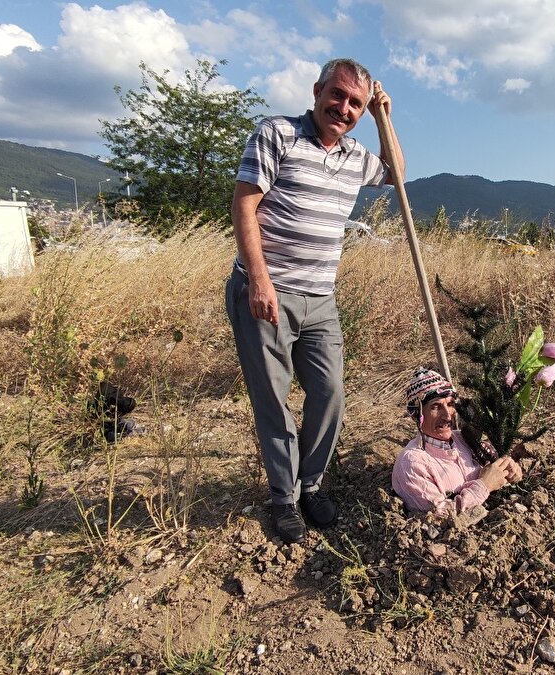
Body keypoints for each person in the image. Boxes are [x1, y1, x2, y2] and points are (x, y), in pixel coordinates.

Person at [226, 58, 403, 543]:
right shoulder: (277, 134)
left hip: (320, 298)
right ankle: (283, 498)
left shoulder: (355, 155)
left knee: (329, 394)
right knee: (274, 401)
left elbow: (397, 174)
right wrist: (259, 280)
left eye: (356, 104)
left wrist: (386, 119)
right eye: (337, 95)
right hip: (266, 291)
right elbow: (244, 202)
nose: (343, 108)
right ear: (318, 90)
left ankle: (311, 484)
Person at [392, 368, 523, 516]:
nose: (448, 415)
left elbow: (494, 466)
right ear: (417, 415)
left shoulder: (463, 438)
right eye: (436, 406)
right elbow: (439, 516)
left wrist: (510, 470)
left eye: (450, 404)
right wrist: (484, 485)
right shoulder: (412, 463)